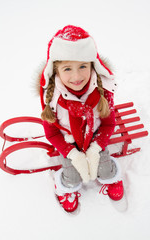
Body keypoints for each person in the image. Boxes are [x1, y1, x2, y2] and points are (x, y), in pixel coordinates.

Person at [39, 25, 124, 213]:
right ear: (56, 70)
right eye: (67, 68)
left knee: (104, 168)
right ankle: (65, 188)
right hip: (68, 142)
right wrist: (72, 154)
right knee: (72, 177)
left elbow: (109, 123)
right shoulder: (51, 98)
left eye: (83, 66)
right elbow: (52, 133)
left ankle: (111, 177)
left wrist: (96, 148)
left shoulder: (102, 91)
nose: (76, 76)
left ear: (93, 65)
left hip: (94, 138)